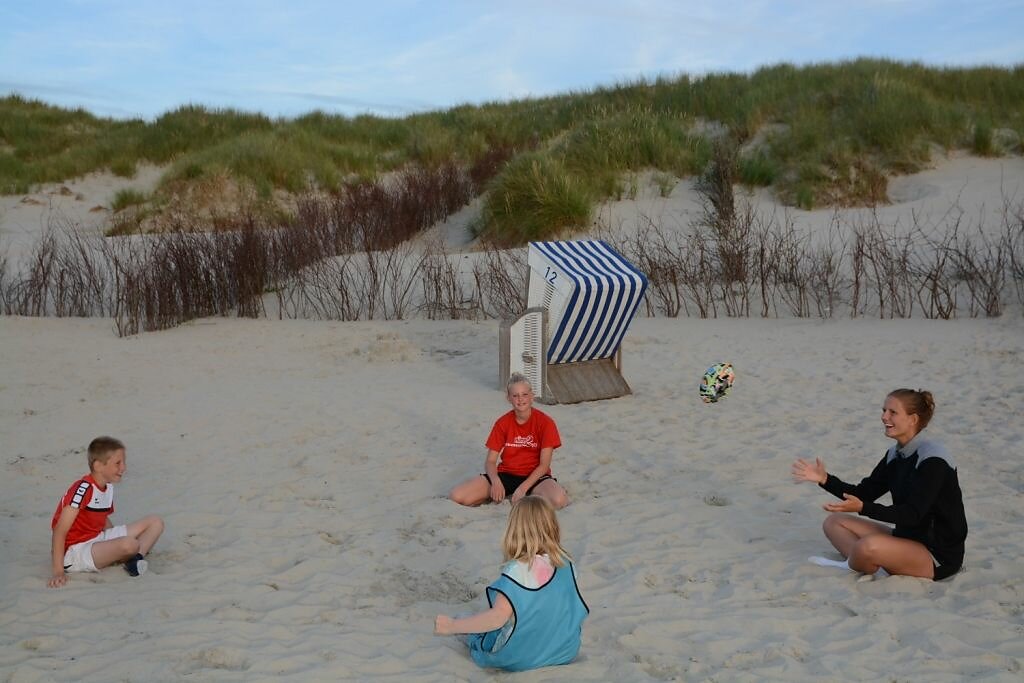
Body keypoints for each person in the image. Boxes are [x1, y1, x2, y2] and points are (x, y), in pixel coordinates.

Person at [792, 388, 967, 580]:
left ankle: (855, 564)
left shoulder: (933, 459)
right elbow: (864, 493)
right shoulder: (896, 454)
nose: (884, 417)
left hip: (936, 555)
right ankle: (868, 565)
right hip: (905, 538)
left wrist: (863, 508)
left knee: (867, 546)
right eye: (884, 410)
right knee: (834, 522)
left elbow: (912, 514)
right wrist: (825, 479)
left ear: (913, 419)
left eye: (893, 412)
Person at [434, 496, 589, 671]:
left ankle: (461, 628)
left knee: (473, 628)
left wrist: (452, 627)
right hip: (564, 651)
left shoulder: (516, 571)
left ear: (514, 531)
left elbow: (496, 619)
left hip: (522, 657)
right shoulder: (566, 563)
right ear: (553, 527)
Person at [48, 436, 165, 588]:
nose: (123, 468)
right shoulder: (82, 490)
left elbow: (101, 518)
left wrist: (113, 544)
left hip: (97, 538)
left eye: (123, 462)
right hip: (75, 551)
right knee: (130, 544)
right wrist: (58, 572)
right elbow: (59, 531)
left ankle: (133, 560)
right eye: (118, 463)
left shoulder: (107, 487)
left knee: (155, 522)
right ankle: (133, 557)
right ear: (98, 466)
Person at [449, 373, 569, 509]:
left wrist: (523, 488)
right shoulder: (502, 423)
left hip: (535, 477)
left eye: (524, 394)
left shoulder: (546, 423)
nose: (520, 399)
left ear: (532, 396)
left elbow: (544, 465)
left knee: (559, 500)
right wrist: (495, 482)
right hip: (506, 475)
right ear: (508, 398)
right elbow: (490, 461)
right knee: (457, 496)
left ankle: (535, 493)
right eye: (515, 395)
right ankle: (495, 494)